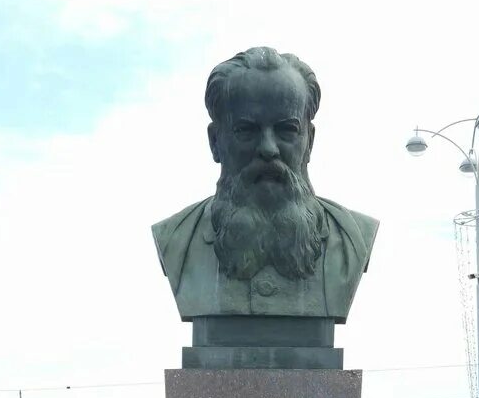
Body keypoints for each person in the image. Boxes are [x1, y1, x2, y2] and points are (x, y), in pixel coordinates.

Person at [152, 47, 378, 322]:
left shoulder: (353, 240)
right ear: (215, 142)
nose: (269, 149)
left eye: (287, 130)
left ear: (310, 142)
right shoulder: (176, 240)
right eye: (246, 130)